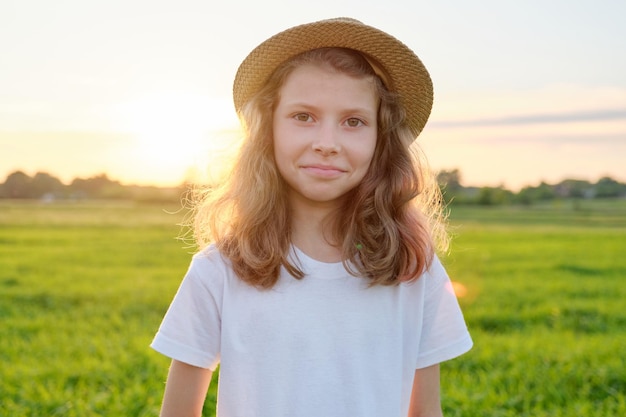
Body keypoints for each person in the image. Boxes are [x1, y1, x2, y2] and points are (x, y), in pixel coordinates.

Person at [151, 17, 472, 417]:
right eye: (303, 116)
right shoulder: (219, 269)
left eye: (353, 122)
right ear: (268, 129)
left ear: (380, 140)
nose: (327, 144)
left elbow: (425, 412)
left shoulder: (412, 267)